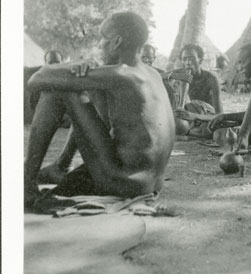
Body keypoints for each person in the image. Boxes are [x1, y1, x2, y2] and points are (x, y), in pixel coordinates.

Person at [24, 11, 175, 209]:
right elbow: (99, 119)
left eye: (102, 38)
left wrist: (73, 64)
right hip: (148, 184)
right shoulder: (151, 74)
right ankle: (62, 166)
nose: (98, 45)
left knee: (57, 90)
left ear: (117, 42)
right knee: (84, 91)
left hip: (122, 183)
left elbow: (36, 79)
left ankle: (26, 184)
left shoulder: (121, 74)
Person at [173, 44, 223, 136]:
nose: (188, 62)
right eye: (184, 59)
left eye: (191, 59)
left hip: (207, 117)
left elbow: (220, 114)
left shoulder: (211, 79)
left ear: (200, 60)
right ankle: (191, 131)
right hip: (191, 117)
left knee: (214, 129)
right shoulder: (181, 77)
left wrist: (195, 116)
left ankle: (191, 131)